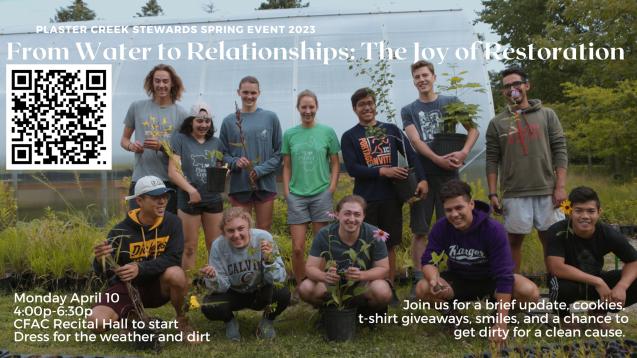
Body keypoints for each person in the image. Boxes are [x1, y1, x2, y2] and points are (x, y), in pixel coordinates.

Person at [416, 179, 539, 345]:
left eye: (459, 208)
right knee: (423, 288)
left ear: (471, 204)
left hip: (490, 280)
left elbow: (504, 275)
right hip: (458, 279)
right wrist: (433, 279)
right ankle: (454, 319)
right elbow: (428, 260)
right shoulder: (441, 227)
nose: (454, 214)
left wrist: (501, 323)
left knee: (530, 292)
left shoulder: (493, 229)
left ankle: (497, 319)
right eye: (448, 210)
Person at [401, 60, 479, 296]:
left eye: (425, 75)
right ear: (414, 81)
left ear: (434, 77)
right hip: (423, 176)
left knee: (454, 225)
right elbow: (415, 141)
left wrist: (464, 152)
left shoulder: (451, 102)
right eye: (417, 77)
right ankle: (419, 278)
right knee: (421, 229)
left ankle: (455, 274)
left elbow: (473, 129)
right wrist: (436, 159)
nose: (422, 80)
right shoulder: (409, 110)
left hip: (449, 176)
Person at [87, 176, 197, 342]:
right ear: (139, 200)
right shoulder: (119, 232)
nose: (162, 201)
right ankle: (133, 320)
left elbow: (174, 258)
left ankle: (181, 320)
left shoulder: (172, 223)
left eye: (164, 196)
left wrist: (140, 268)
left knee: (176, 274)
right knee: (97, 324)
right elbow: (105, 274)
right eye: (155, 197)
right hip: (128, 288)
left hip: (158, 286)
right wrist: (100, 259)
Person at [341, 87, 428, 284]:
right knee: (365, 244)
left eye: (370, 103)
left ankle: (389, 286)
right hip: (365, 200)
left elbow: (412, 155)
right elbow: (353, 168)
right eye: (361, 104)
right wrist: (383, 171)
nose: (367, 107)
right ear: (355, 109)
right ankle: (366, 285)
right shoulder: (350, 136)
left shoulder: (391, 130)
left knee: (389, 245)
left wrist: (422, 179)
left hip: (391, 197)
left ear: (375, 106)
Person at [485, 67, 568, 272]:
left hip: (547, 191)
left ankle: (557, 288)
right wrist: (493, 193)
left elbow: (560, 150)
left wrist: (560, 187)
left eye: (516, 84)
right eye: (507, 86)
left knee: (552, 241)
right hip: (515, 192)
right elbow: (492, 159)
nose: (512, 89)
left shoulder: (547, 115)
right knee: (512, 242)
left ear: (526, 86)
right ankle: (512, 292)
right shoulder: (497, 123)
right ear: (503, 92)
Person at [546, 186, 637, 319]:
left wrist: (622, 286)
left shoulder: (608, 233)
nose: (585, 216)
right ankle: (563, 316)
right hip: (568, 281)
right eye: (578, 211)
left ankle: (598, 311)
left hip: (595, 278)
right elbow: (556, 268)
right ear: (569, 211)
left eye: (591, 211)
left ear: (599, 212)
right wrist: (597, 282)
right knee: (560, 287)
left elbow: (633, 261)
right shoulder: (557, 231)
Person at [200, 207, 290, 341]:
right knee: (209, 305)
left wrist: (269, 261)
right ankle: (230, 321)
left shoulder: (263, 238)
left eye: (241, 228)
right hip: (234, 292)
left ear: (249, 227)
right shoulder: (218, 246)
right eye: (230, 231)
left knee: (282, 293)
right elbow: (221, 288)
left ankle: (267, 321)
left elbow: (279, 278)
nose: (236, 235)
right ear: (224, 232)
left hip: (261, 291)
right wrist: (214, 277)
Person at [282, 89, 340, 293]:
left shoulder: (327, 132)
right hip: (296, 195)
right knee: (297, 248)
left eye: (311, 107)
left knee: (321, 245)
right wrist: (287, 192)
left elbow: (335, 163)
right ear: (298, 108)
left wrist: (331, 188)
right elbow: (286, 166)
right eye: (303, 107)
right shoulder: (289, 134)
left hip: (321, 193)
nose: (308, 111)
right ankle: (301, 286)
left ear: (317, 107)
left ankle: (318, 284)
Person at [297, 195, 393, 316]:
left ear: (363, 216)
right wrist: (324, 276)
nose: (352, 219)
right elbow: (310, 268)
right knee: (306, 288)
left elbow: (384, 269)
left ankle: (366, 314)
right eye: (347, 213)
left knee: (382, 291)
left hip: (363, 283)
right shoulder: (325, 234)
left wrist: (362, 275)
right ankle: (328, 312)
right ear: (337, 214)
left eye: (357, 214)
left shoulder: (375, 234)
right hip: (333, 284)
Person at [120, 64, 188, 214]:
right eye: (157, 81)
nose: (161, 85)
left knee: (165, 229)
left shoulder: (182, 114)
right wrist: (132, 146)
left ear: (172, 84)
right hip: (141, 179)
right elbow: (124, 140)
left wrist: (162, 147)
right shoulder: (137, 107)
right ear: (151, 83)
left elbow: (185, 151)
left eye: (165, 81)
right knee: (138, 228)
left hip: (168, 181)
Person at [219, 76, 282, 231]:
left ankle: (262, 256)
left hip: (265, 183)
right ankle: (244, 257)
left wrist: (260, 170)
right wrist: (235, 162)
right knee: (240, 229)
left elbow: (279, 153)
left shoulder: (270, 118)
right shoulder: (229, 121)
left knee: (263, 229)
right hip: (239, 184)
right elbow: (222, 154)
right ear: (238, 93)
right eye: (245, 92)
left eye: (253, 93)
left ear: (259, 93)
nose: (249, 96)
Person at [168, 101, 224, 270]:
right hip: (188, 200)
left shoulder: (216, 143)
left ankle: (214, 285)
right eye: (199, 121)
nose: (204, 125)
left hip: (212, 199)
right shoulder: (180, 140)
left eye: (207, 121)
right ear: (191, 121)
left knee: (215, 247)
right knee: (189, 247)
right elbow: (172, 172)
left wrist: (224, 172)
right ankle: (188, 287)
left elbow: (220, 166)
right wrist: (191, 190)